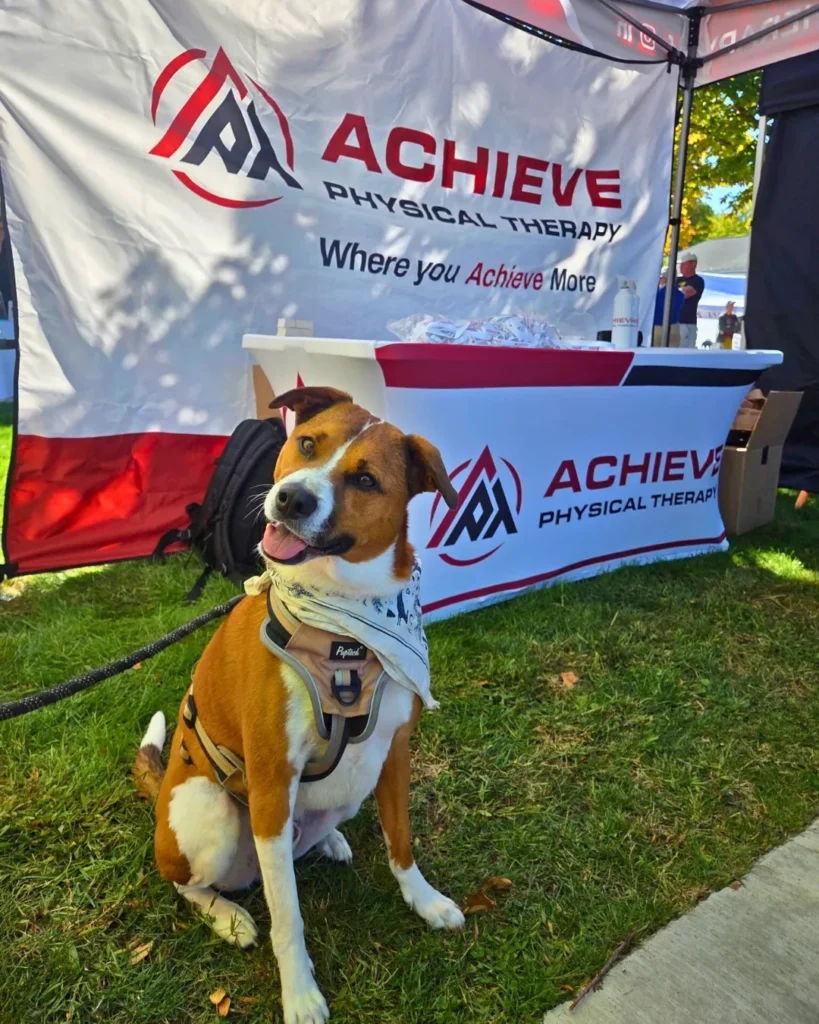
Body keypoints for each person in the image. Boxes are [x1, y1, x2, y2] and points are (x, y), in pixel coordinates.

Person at [677, 251, 705, 348]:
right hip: (676, 322)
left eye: (684, 264)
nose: (680, 267)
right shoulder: (677, 280)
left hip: (688, 322)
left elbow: (685, 294)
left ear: (693, 264)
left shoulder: (697, 280)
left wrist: (677, 291)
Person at [653, 271, 684, 347]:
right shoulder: (681, 295)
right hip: (674, 328)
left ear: (665, 279)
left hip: (658, 327)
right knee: (673, 355)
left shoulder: (657, 294)